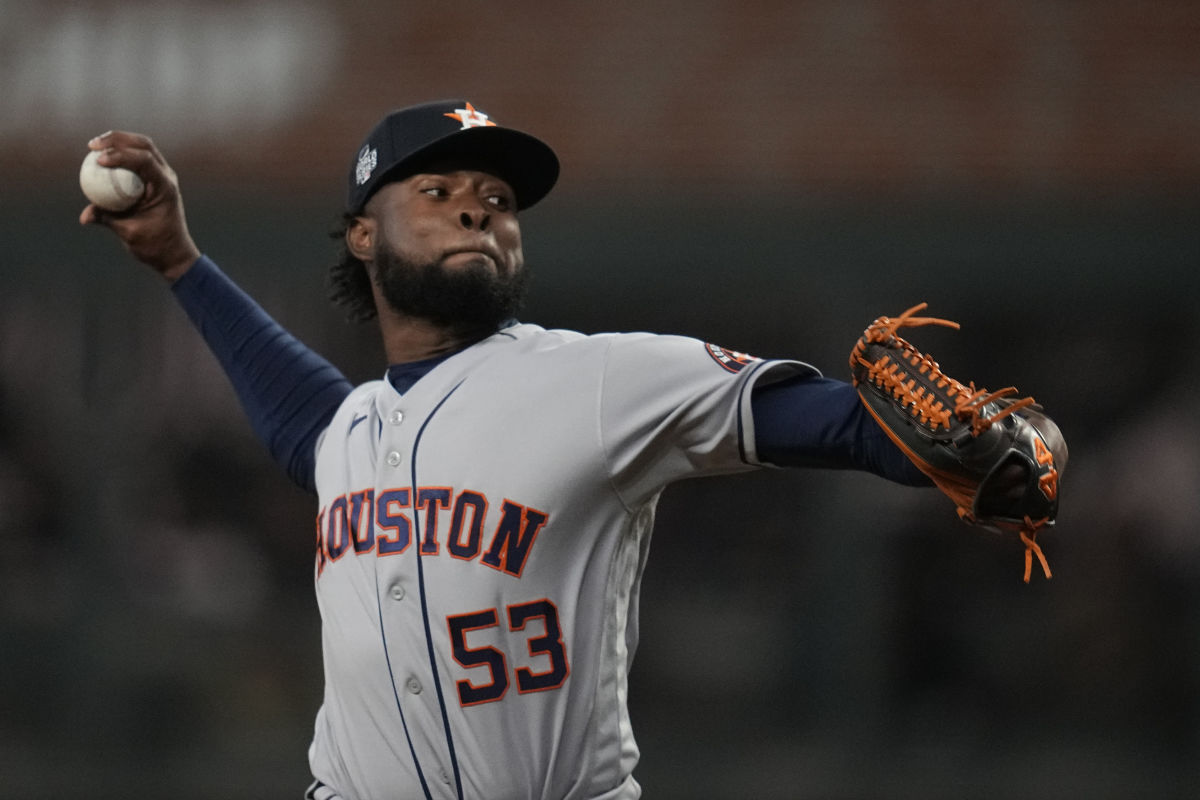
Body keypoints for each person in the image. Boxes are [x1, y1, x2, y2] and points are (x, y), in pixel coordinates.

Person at [80, 100, 951, 800]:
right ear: (362, 234)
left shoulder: (600, 380)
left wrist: (985, 452)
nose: (478, 207)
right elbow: (299, 412)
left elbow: (847, 424)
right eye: (439, 190)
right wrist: (180, 259)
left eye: (498, 201)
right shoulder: (352, 430)